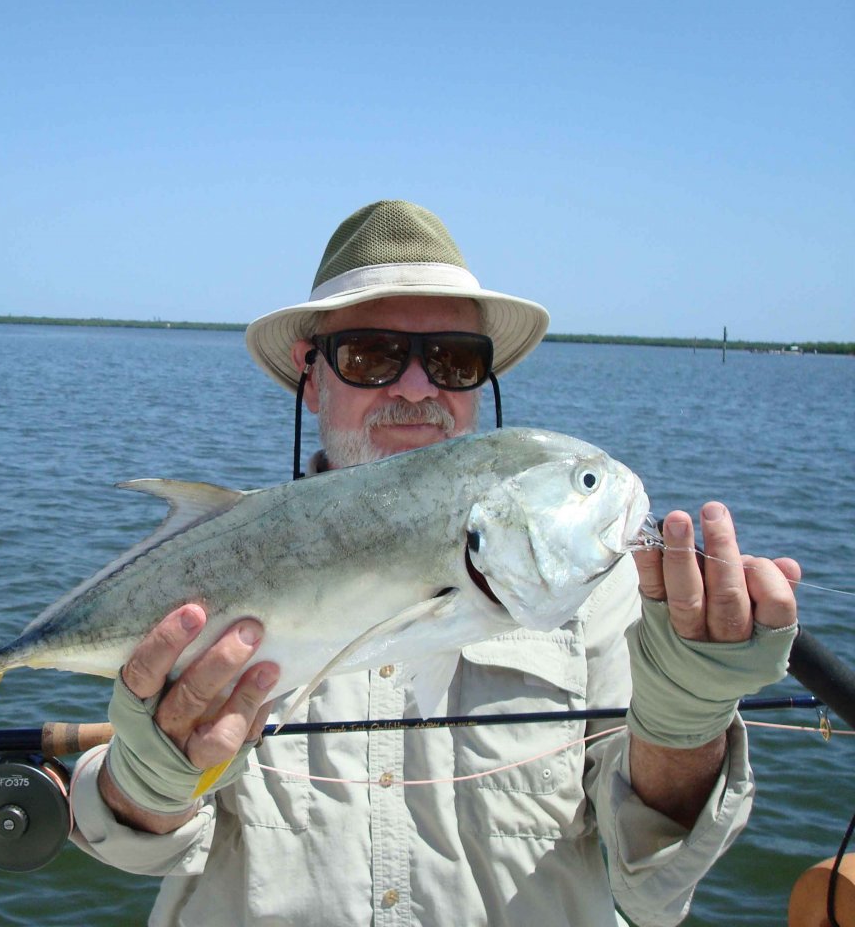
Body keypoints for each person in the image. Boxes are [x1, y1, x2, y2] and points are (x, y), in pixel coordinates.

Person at [69, 200, 801, 926]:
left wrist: (688, 723)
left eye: (453, 360)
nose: (416, 389)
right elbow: (136, 853)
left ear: (480, 381)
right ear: (312, 373)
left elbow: (652, 887)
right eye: (369, 356)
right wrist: (149, 783)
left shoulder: (599, 590)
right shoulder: (217, 566)